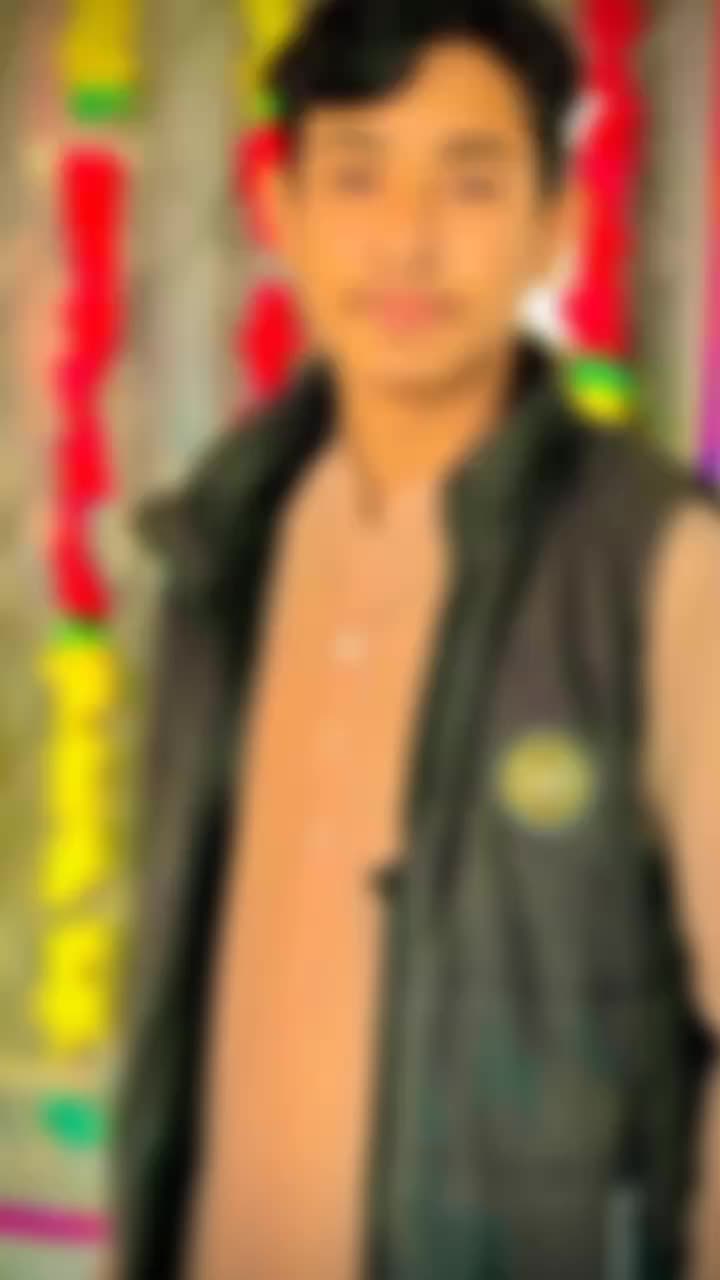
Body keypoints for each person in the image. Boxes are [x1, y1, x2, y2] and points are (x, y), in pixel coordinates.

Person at [111, 1, 720, 1277]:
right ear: (279, 211)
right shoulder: (220, 552)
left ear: (556, 223)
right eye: (357, 176)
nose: (407, 239)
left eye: (471, 181)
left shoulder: (661, 566)